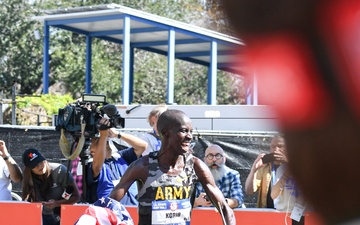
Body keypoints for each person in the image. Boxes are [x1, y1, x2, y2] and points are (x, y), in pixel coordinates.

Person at [109, 109, 236, 225]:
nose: (190, 136)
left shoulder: (196, 166)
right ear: (165, 133)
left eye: (191, 131)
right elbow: (109, 207)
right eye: (184, 130)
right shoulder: (143, 166)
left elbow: (225, 209)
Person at [86, 118, 147, 205]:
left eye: (104, 140)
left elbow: (142, 146)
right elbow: (97, 166)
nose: (104, 142)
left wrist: (117, 134)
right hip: (109, 212)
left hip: (132, 209)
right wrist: (103, 135)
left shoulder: (121, 157)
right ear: (92, 151)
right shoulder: (93, 164)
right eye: (96, 140)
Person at [21, 148, 80, 225]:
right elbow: (26, 204)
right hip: (42, 217)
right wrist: (39, 204)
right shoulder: (28, 178)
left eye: (40, 161)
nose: (40, 166)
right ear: (29, 169)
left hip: (64, 215)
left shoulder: (60, 170)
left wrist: (57, 203)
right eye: (35, 165)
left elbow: (77, 196)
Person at [193, 144, 243, 209]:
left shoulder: (232, 174)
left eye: (218, 156)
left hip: (225, 214)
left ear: (224, 159)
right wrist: (197, 201)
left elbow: (238, 200)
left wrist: (222, 202)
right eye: (210, 156)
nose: (214, 159)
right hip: (202, 215)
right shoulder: (196, 175)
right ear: (205, 160)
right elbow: (185, 201)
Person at [244, 134, 287, 208]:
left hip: (289, 212)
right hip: (268, 212)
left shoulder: (295, 167)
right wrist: (253, 170)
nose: (276, 150)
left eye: (280, 146)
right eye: (273, 147)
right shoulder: (265, 167)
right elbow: (249, 191)